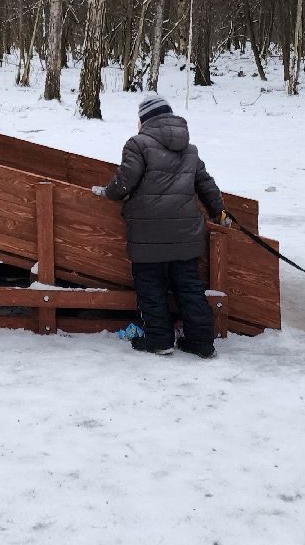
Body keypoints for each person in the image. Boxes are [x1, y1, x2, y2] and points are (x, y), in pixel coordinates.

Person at [92, 93, 228, 358]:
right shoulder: (189, 149)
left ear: (145, 120)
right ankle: (201, 342)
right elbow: (206, 185)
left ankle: (159, 340)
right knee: (189, 288)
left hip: (147, 235)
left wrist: (106, 193)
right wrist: (219, 212)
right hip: (186, 236)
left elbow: (124, 182)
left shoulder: (137, 144)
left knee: (151, 288)